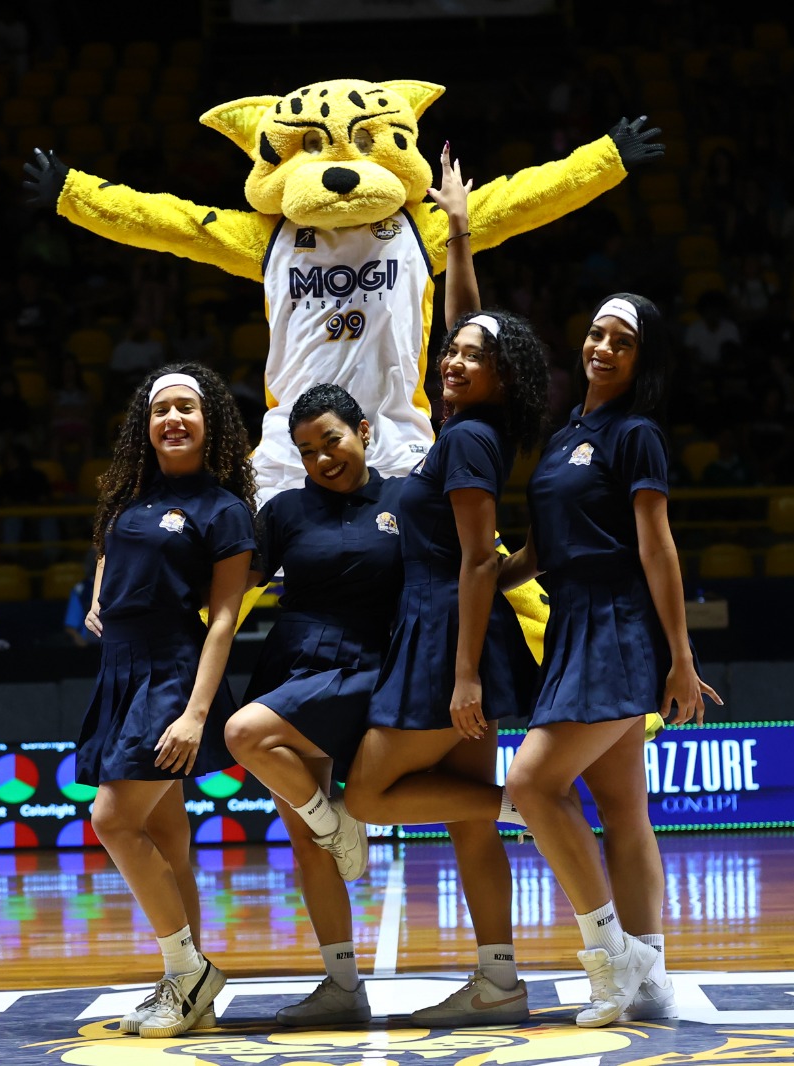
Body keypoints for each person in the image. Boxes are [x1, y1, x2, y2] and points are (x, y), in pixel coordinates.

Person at [344, 150, 546, 1027]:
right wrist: (459, 233)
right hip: (463, 624)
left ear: (504, 377)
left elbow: (472, 559)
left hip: (443, 629)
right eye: (452, 351)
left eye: (472, 357)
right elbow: (469, 316)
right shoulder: (479, 424)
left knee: (364, 794)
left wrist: (463, 675)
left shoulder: (466, 443)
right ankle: (499, 977)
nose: (454, 358)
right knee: (467, 825)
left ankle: (539, 804)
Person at [497, 287, 722, 1025]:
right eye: (596, 334)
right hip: (569, 621)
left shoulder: (637, 435)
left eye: (620, 342)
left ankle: (609, 956)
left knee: (531, 783)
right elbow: (539, 548)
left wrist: (680, 656)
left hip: (618, 622)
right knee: (625, 810)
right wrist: (475, 579)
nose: (601, 348)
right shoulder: (564, 435)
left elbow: (657, 545)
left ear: (640, 358)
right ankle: (651, 973)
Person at [78, 362, 256, 1038]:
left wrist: (194, 713)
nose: (173, 419)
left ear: (210, 424)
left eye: (187, 408)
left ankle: (188, 970)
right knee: (168, 836)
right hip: (120, 670)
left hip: (172, 676)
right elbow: (110, 546)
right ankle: (191, 995)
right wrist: (101, 595)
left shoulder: (225, 510)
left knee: (113, 820)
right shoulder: (128, 496)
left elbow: (225, 621)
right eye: (162, 410)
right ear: (145, 427)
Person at [223, 383, 405, 1026]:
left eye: (332, 440)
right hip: (291, 662)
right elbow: (234, 584)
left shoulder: (405, 500)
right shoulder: (284, 512)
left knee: (243, 735)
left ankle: (339, 824)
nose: (323, 459)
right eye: (306, 451)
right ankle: (342, 984)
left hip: (365, 669)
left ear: (362, 430)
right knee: (305, 844)